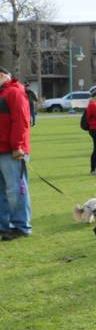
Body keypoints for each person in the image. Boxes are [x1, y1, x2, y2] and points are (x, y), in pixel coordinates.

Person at [0, 67, 31, 241]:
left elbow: (21, 121)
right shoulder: (4, 93)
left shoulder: (14, 93)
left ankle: (21, 225)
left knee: (15, 189)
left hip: (12, 150)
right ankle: (4, 225)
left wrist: (17, 146)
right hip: (3, 149)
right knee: (3, 190)